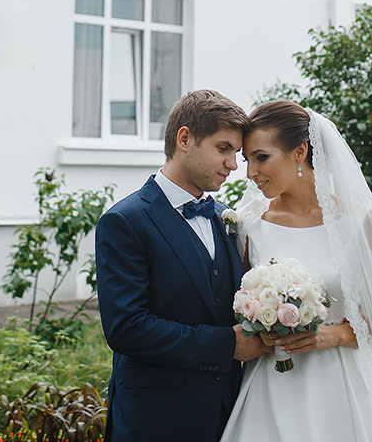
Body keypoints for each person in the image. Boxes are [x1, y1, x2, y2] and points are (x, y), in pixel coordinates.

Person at [220, 99, 372, 442]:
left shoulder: (358, 222)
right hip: (271, 385)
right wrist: (260, 328)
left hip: (341, 384)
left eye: (261, 157)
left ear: (300, 151)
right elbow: (236, 310)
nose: (251, 173)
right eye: (247, 161)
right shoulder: (250, 223)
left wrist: (336, 335)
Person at [95, 89, 271, 442]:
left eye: (236, 153)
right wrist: (228, 346)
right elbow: (126, 328)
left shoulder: (227, 219)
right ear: (185, 139)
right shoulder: (125, 221)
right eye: (223, 149)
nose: (234, 166)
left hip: (228, 414)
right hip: (155, 419)